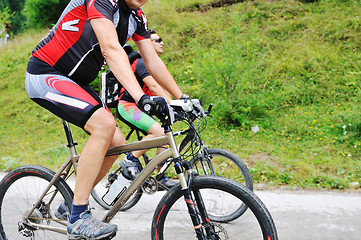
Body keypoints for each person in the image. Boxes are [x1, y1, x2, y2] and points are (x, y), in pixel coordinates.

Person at [24, 0, 187, 239]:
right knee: (104, 125)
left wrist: (181, 98)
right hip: (46, 73)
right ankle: (79, 216)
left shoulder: (137, 16)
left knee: (115, 143)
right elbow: (111, 49)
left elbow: (152, 61)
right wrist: (140, 96)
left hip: (76, 83)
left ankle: (69, 204)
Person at [106, 30, 178, 188]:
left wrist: (176, 104)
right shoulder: (141, 62)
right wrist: (174, 104)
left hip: (141, 107)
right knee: (158, 131)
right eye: (157, 40)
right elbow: (153, 86)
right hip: (127, 106)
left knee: (166, 132)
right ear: (147, 45)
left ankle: (161, 174)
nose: (161, 42)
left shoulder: (152, 65)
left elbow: (159, 89)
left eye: (161, 39)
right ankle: (130, 159)